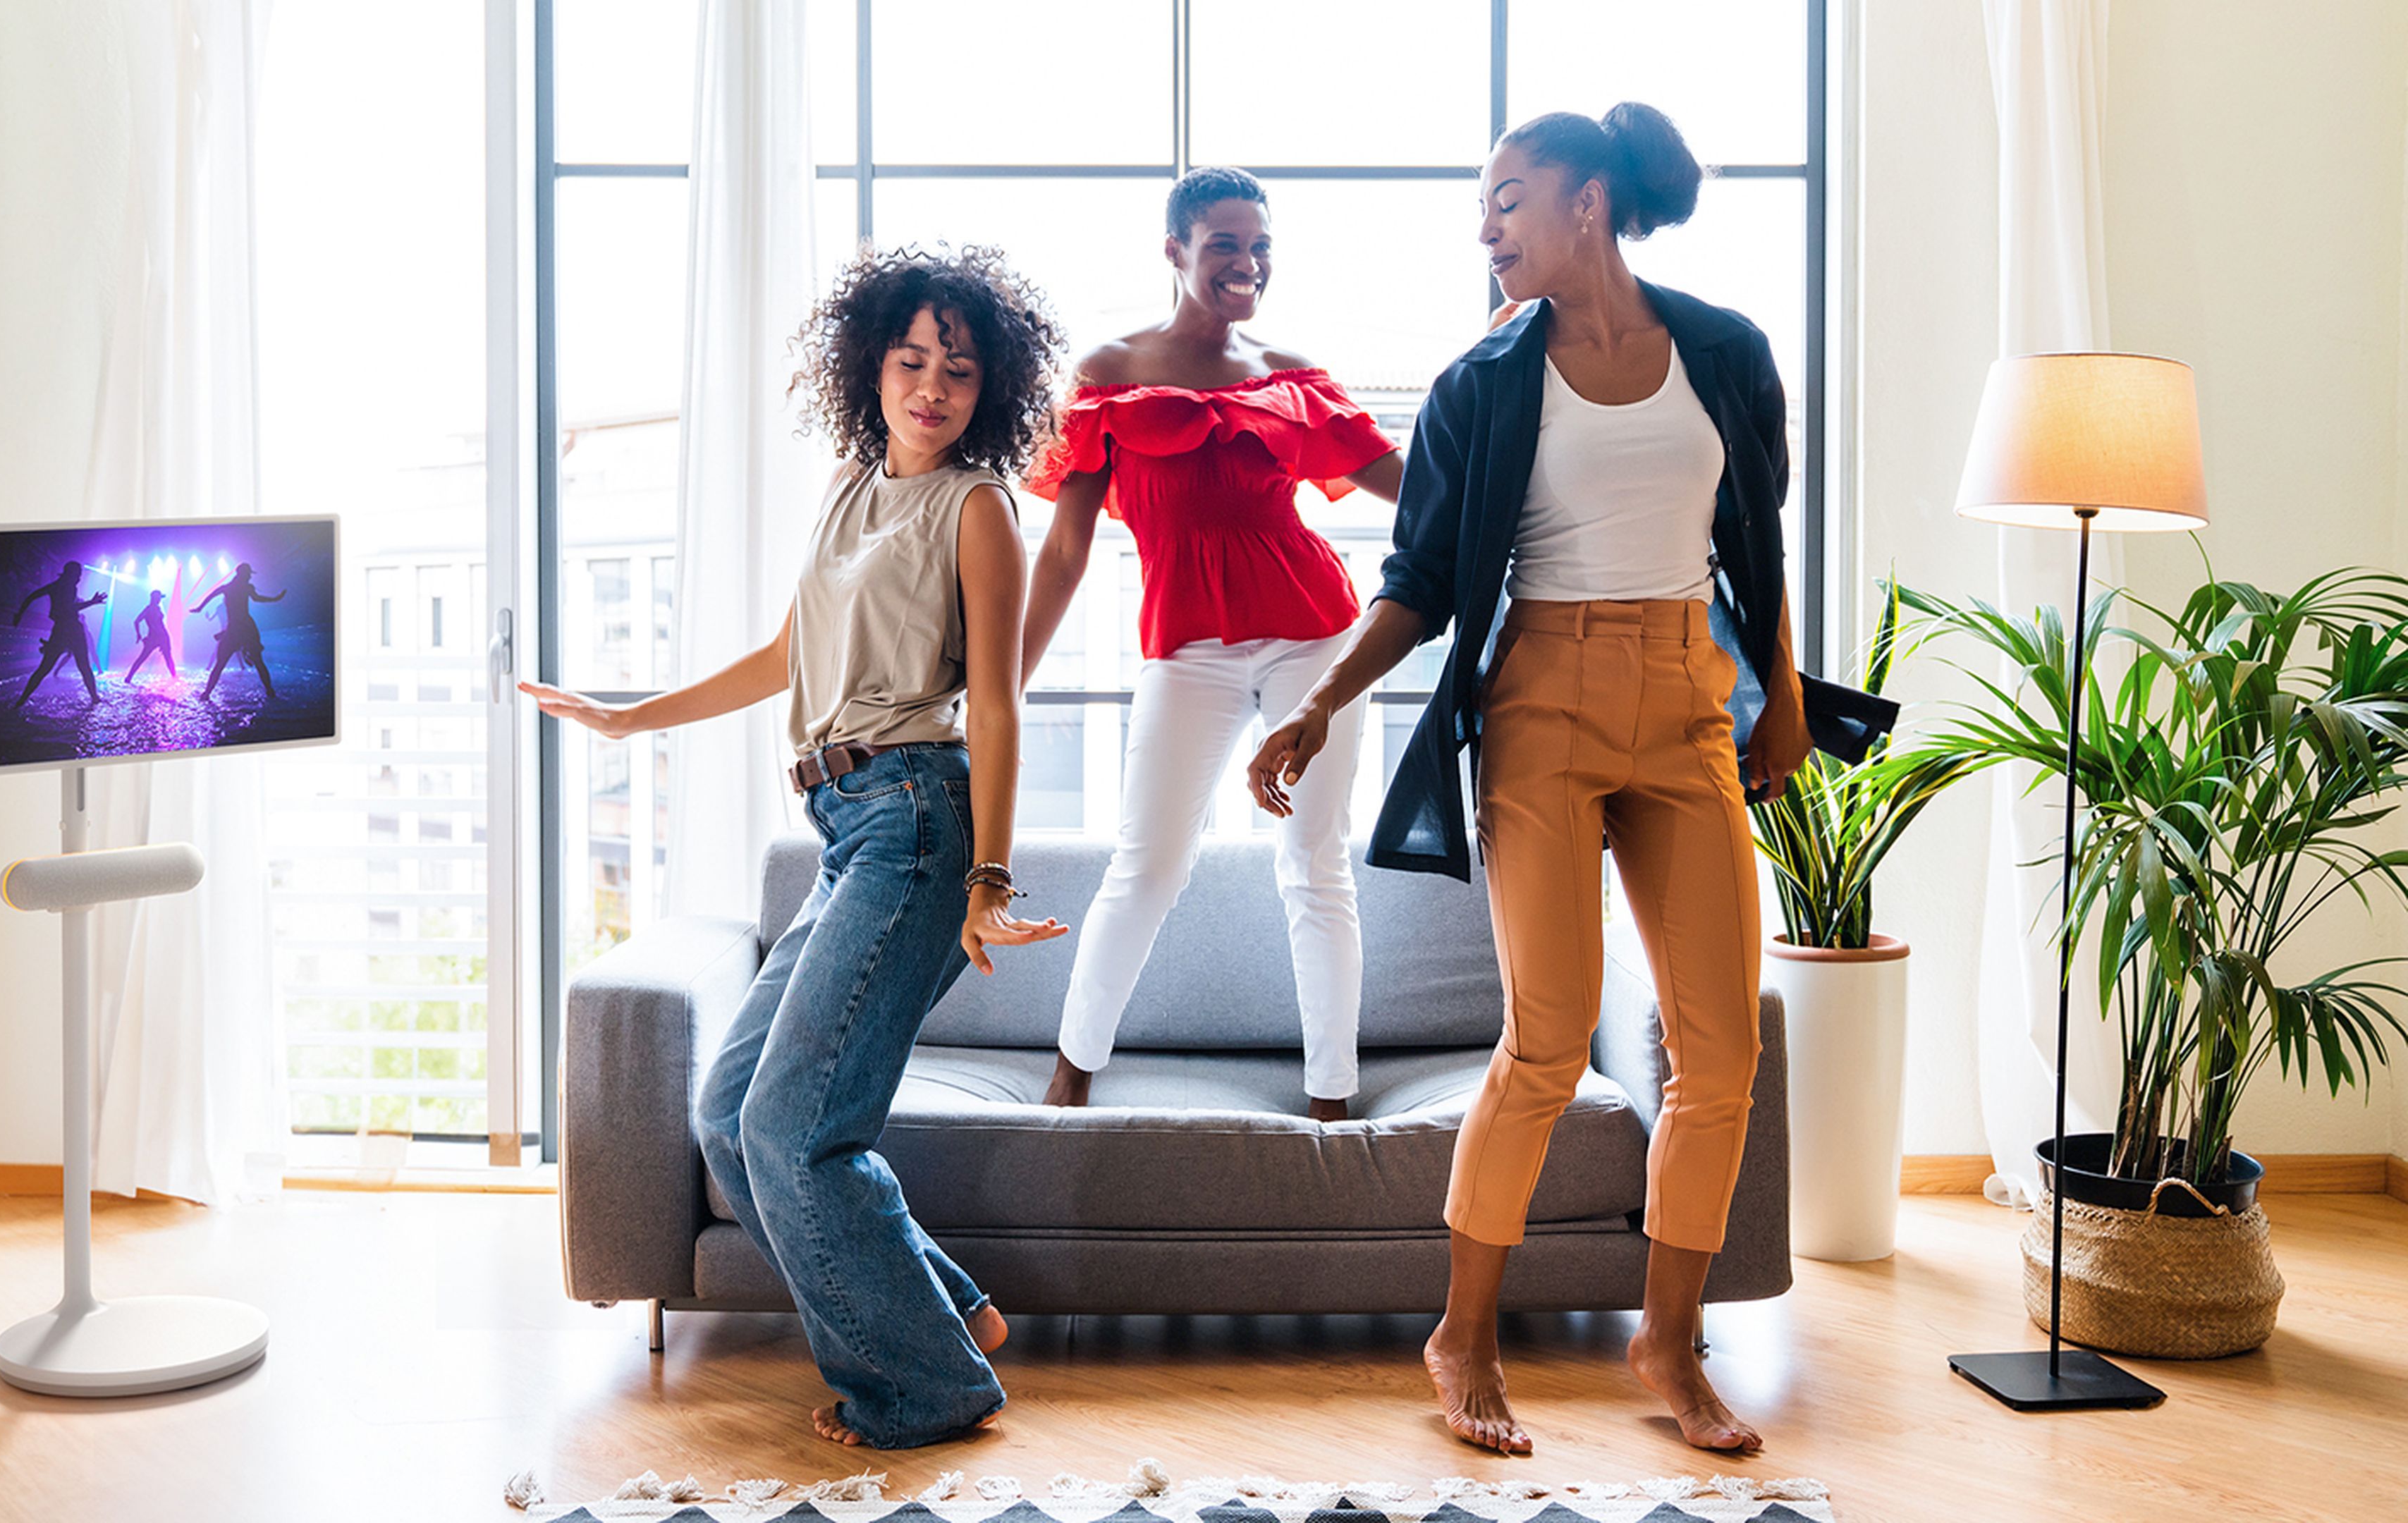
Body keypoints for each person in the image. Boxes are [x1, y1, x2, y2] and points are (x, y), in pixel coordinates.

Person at [1246, 105, 1892, 1457]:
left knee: (1721, 1051)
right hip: (1539, 704)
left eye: (1507, 200)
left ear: (1587, 203)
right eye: (1483, 209)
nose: (1487, 230)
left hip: (1688, 709)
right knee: (1545, 1043)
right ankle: (1462, 1337)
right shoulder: (1483, 384)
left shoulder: (1722, 350)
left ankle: (1669, 1339)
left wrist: (1774, 695)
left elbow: (1754, 539)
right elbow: (1419, 583)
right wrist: (1313, 705)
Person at [521, 245, 1070, 1450]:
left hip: (920, 826)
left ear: (992, 391)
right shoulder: (853, 483)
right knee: (728, 1113)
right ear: (870, 363)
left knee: (794, 1128)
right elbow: (790, 652)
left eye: (961, 371)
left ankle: (925, 1387)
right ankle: (949, 1315)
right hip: (840, 823)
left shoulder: (976, 510)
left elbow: (997, 707)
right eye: (912, 359)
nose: (932, 387)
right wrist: (631, 715)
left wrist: (989, 878)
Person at [1022, 167, 1403, 1122]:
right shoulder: (1110, 369)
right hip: (1187, 645)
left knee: (1315, 863)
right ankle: (1071, 1071)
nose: (1248, 262)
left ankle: (1333, 1098)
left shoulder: (1288, 370)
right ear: (1177, 250)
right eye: (1227, 243)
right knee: (1148, 862)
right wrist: (1008, 680)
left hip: (1314, 634)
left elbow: (1416, 485)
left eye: (1262, 245)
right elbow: (1066, 547)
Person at [13, 561, 106, 707]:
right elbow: (69, 608)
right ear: (71, 574)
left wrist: (19, 614)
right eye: (78, 575)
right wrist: (91, 602)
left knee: (45, 668)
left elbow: (32, 596)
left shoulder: (56, 586)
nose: (79, 579)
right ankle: (95, 698)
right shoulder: (67, 587)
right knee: (83, 666)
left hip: (61, 629)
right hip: (71, 629)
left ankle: (21, 700)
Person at [193, 562, 283, 700]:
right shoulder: (246, 587)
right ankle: (270, 691)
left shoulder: (229, 588)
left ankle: (207, 693)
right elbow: (257, 599)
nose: (250, 577)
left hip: (236, 628)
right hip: (246, 628)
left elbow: (211, 595)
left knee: (221, 664)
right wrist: (275, 599)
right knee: (258, 662)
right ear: (242, 574)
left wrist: (200, 607)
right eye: (248, 574)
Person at [123, 589, 177, 682]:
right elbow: (136, 621)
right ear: (155, 598)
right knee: (163, 657)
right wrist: (138, 634)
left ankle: (129, 678)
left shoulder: (155, 609)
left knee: (166, 657)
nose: (160, 600)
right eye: (159, 598)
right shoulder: (148, 609)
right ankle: (129, 677)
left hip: (160, 636)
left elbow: (137, 621)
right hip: (156, 637)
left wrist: (139, 634)